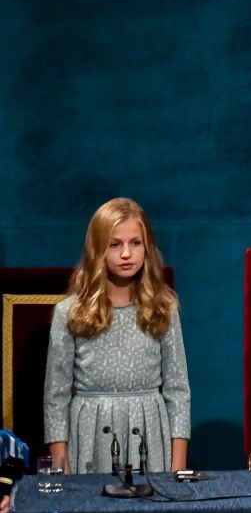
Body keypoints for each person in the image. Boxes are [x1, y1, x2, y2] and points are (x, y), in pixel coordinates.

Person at [43, 198, 190, 474]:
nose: (126, 253)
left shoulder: (163, 308)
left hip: (148, 431)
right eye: (115, 244)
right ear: (98, 249)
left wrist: (178, 465)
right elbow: (56, 394)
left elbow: (178, 390)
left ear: (147, 247)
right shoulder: (70, 312)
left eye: (135, 243)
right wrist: (61, 465)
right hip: (90, 436)